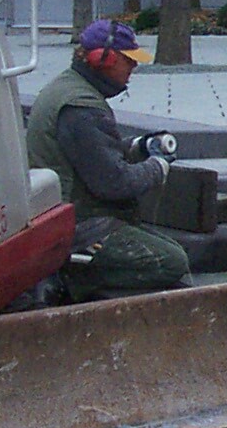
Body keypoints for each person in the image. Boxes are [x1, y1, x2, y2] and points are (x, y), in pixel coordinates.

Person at [25, 18, 189, 300]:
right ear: (104, 59)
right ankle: (73, 284)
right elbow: (114, 183)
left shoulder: (69, 88)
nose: (134, 68)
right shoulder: (82, 108)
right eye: (128, 60)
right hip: (79, 227)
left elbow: (94, 154)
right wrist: (157, 167)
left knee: (169, 252)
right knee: (171, 262)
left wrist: (140, 146)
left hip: (66, 214)